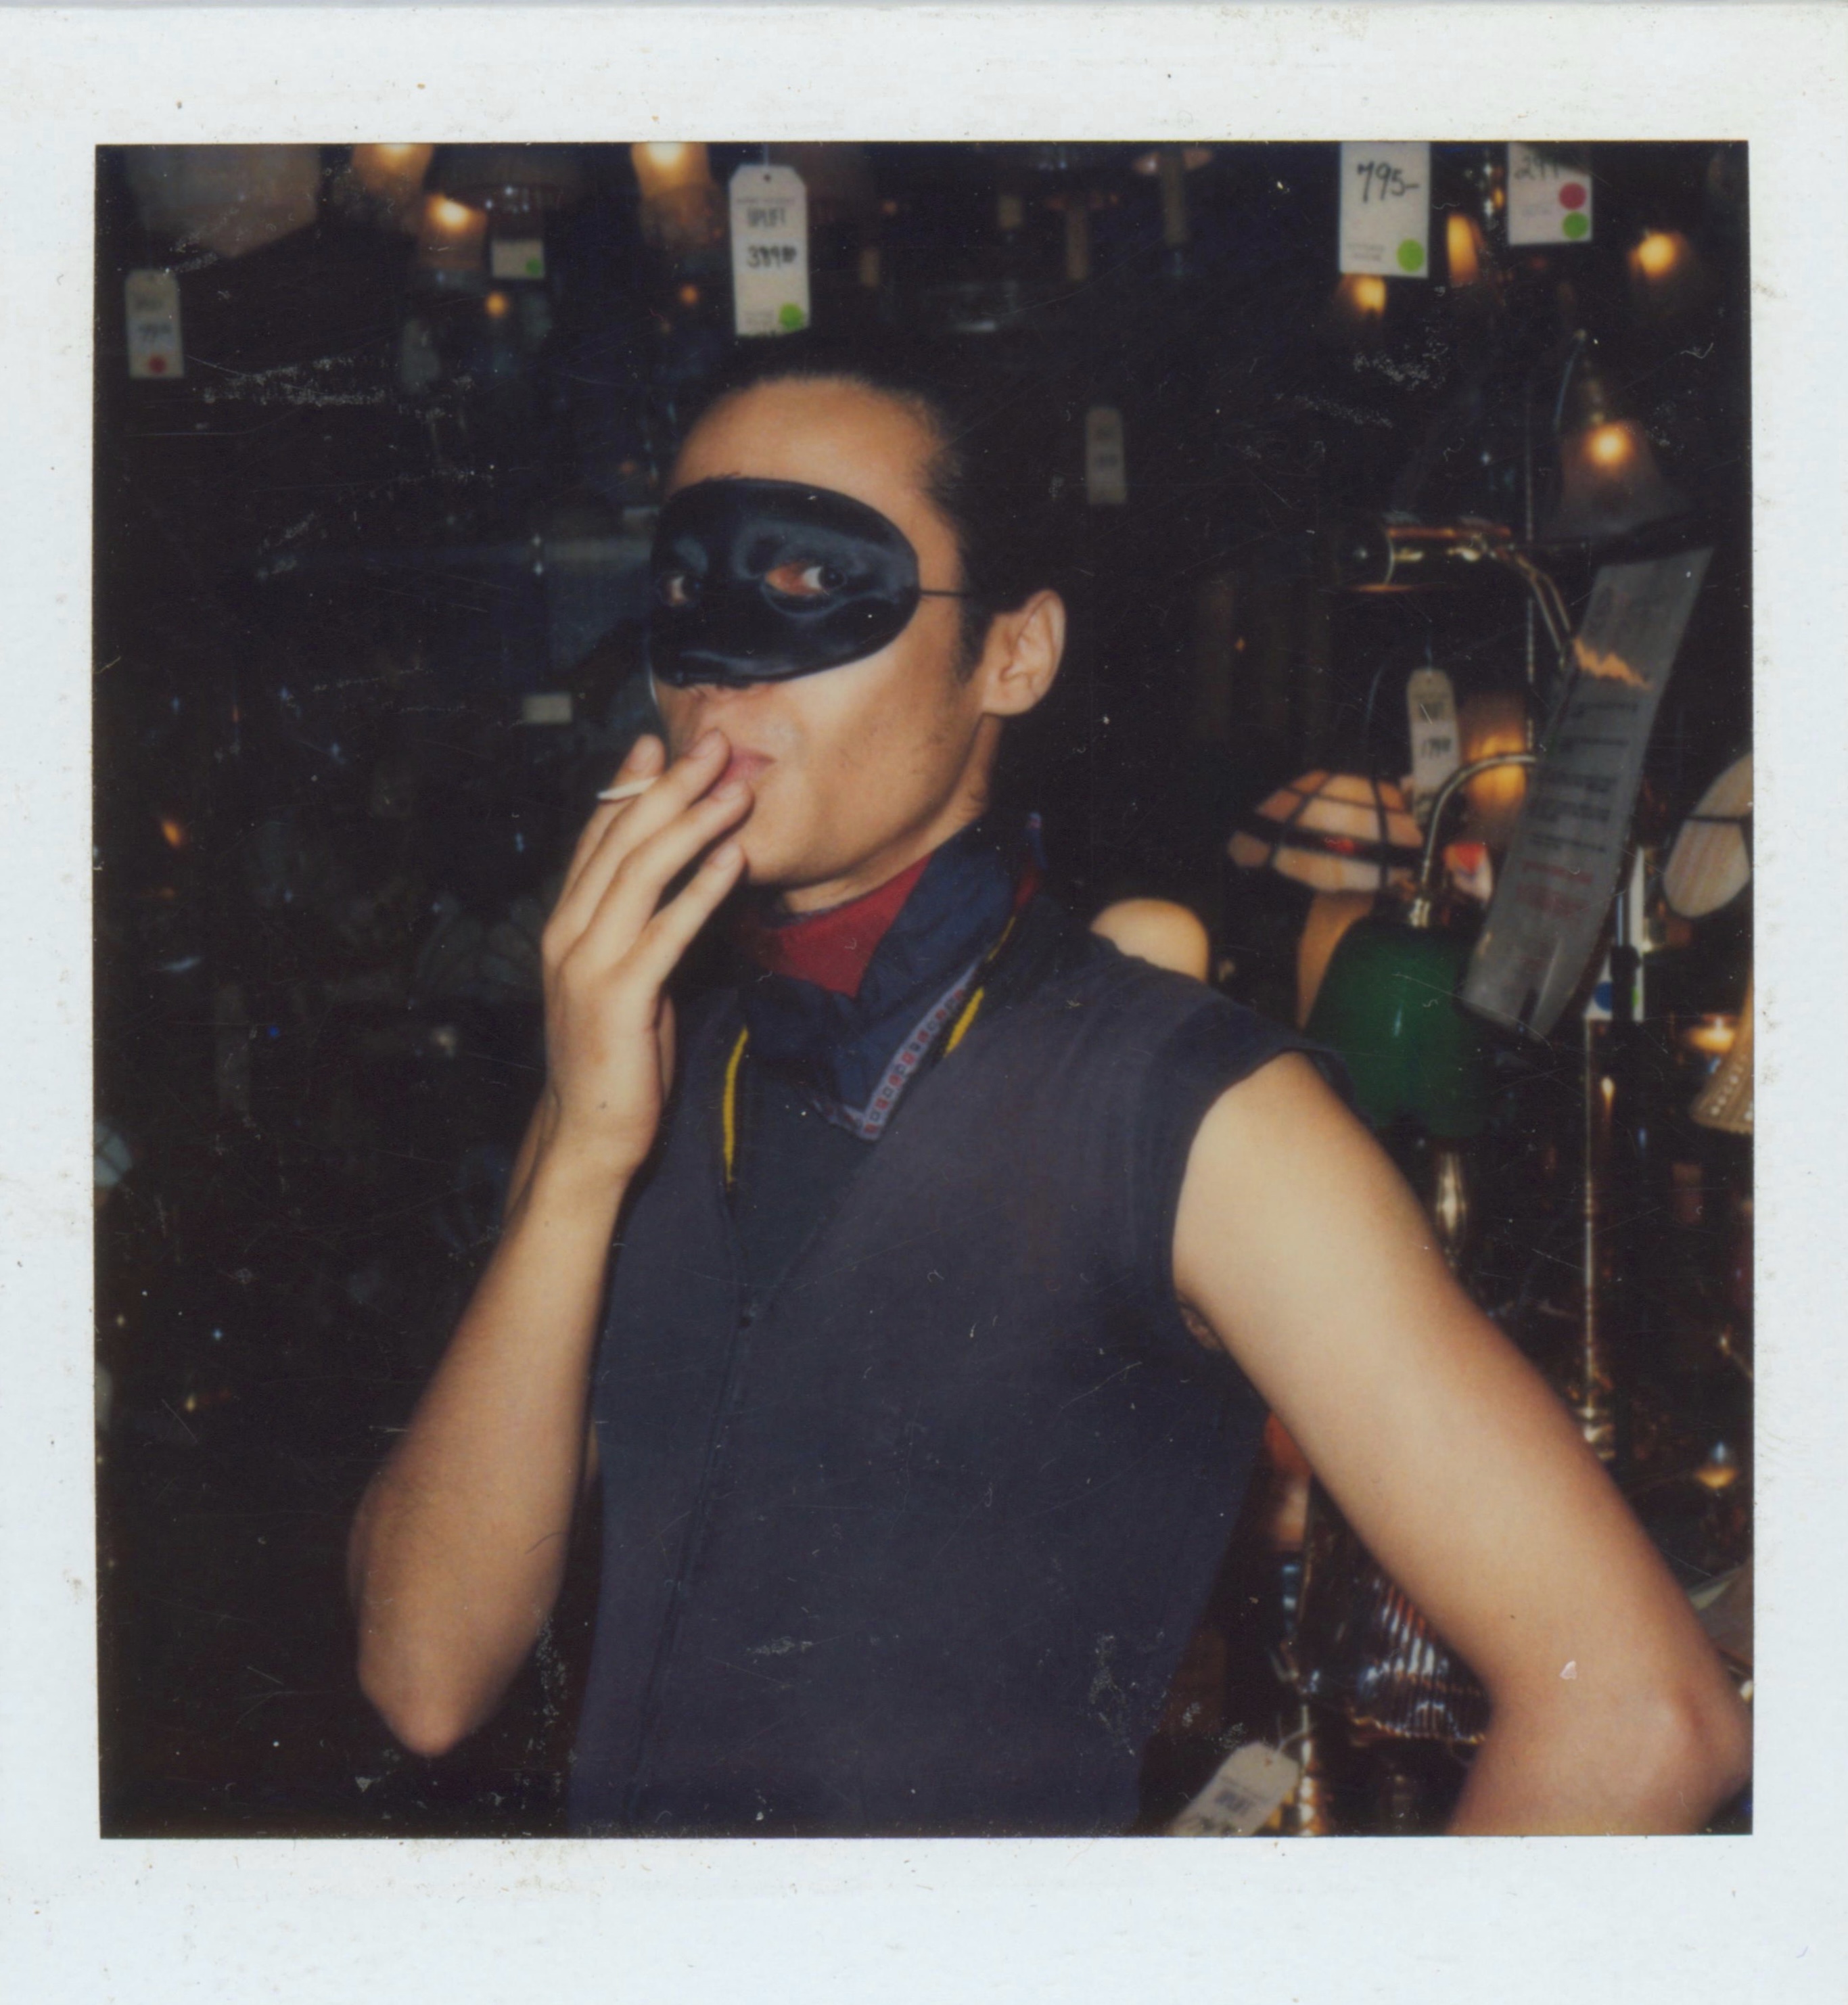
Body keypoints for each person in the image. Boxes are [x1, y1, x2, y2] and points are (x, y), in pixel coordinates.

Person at [347, 341, 1750, 1838]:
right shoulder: (640, 1064)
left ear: (1013, 656)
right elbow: (422, 1676)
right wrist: (581, 1154)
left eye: (813, 580)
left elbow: (1639, 1715)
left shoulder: (1190, 1109)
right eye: (686, 589)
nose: (724, 663)